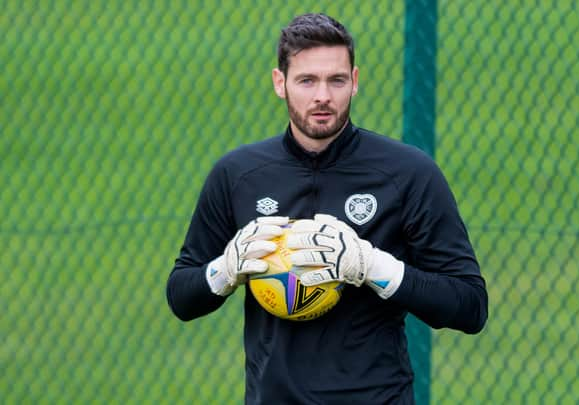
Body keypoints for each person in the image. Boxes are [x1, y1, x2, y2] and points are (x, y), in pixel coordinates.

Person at [166, 12, 488, 404]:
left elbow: (470, 305)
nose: (323, 96)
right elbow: (181, 297)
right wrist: (225, 270)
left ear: (354, 82)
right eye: (307, 80)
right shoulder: (238, 174)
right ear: (279, 83)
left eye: (336, 80)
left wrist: (372, 267)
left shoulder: (408, 173)